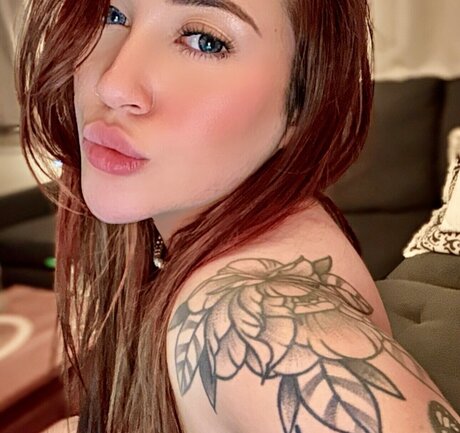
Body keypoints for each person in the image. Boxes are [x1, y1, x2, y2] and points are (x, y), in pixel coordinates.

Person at [15, 0, 460, 432]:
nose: (112, 85)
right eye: (112, 13)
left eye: (204, 40)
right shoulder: (255, 220)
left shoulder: (250, 324)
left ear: (302, 104)